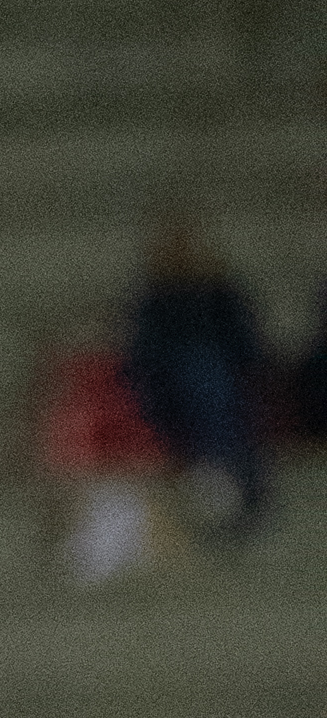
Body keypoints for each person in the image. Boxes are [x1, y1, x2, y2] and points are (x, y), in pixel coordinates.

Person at [120, 220, 275, 534]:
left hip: (222, 392)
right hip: (177, 395)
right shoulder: (154, 302)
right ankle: (225, 494)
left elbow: (248, 345)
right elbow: (141, 357)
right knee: (201, 379)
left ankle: (235, 495)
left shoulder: (219, 294)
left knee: (210, 383)